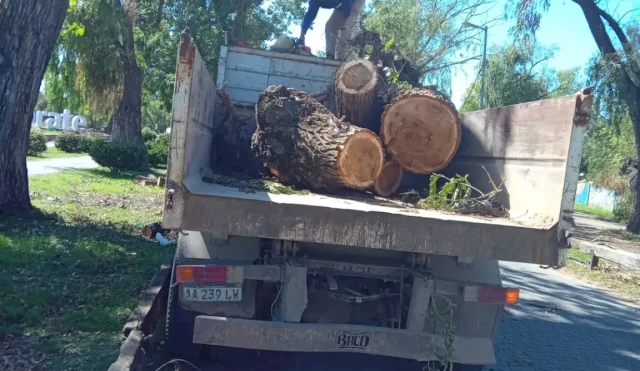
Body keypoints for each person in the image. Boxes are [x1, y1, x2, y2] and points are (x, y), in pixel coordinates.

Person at [299, 0, 365, 60]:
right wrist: (302, 35)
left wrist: (345, 20)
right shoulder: (314, 1)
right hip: (341, 4)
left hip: (354, 2)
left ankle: (341, 60)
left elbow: (348, 3)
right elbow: (309, 16)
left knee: (346, 27)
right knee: (330, 26)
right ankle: (330, 56)